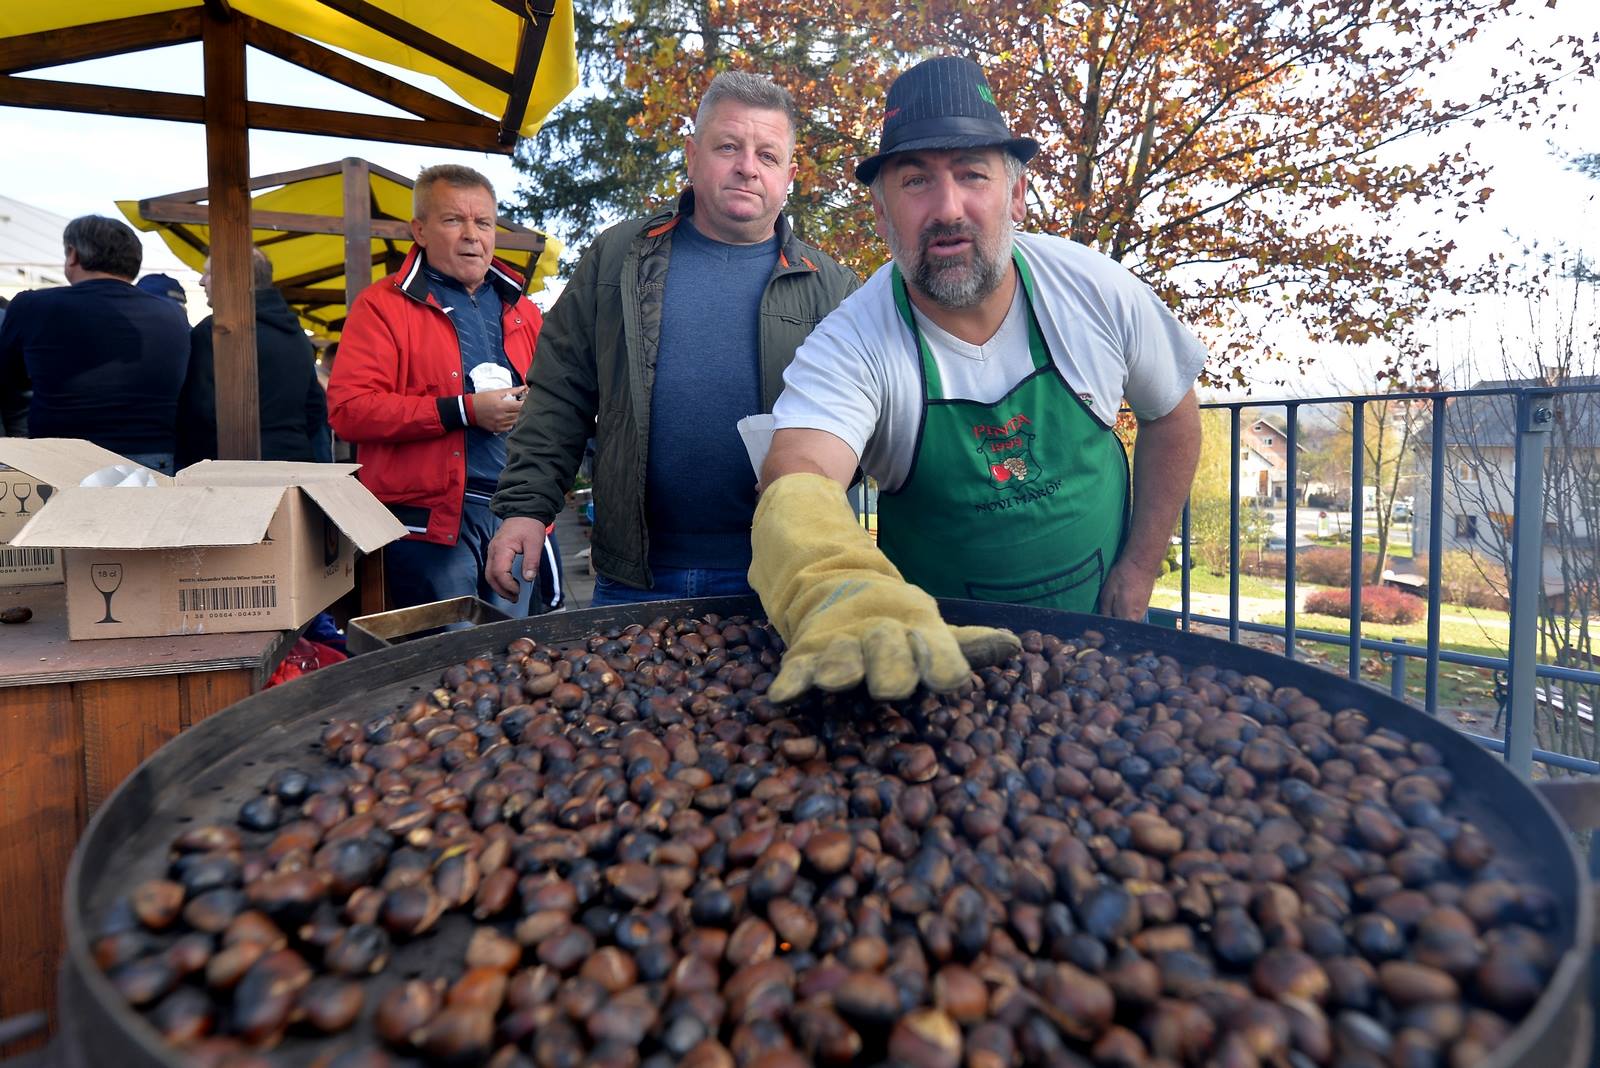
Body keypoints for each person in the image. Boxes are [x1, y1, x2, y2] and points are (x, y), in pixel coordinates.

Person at [751, 55, 1205, 703]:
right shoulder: (852, 342)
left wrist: (1137, 574)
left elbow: (1173, 414)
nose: (949, 208)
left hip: (1104, 636)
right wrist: (837, 591)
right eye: (915, 182)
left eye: (973, 175)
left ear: (1016, 195)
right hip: (937, 666)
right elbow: (798, 472)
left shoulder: (1095, 290)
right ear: (881, 215)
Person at [485, 71, 859, 607]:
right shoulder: (617, 258)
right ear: (691, 155)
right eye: (728, 146)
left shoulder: (832, 287)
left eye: (767, 156)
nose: (747, 167)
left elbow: (865, 423)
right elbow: (559, 394)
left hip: (782, 576)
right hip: (633, 577)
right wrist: (526, 507)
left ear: (790, 174)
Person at [327, 164, 562, 614]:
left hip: (515, 513)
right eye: (454, 220)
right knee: (448, 666)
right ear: (420, 229)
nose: (472, 235)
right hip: (427, 526)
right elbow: (349, 410)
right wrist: (462, 410)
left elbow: (553, 403)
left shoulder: (524, 310)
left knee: (522, 658)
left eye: (484, 222)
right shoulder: (381, 306)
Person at [0, 215, 190, 471]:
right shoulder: (173, 314)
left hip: (60, 457)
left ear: (73, 255)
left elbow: (8, 381)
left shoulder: (33, 306)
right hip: (151, 460)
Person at [176, 247, 331, 467]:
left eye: (209, 273)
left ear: (234, 278)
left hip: (234, 469)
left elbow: (199, 410)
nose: (202, 281)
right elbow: (315, 407)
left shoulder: (216, 331)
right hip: (295, 462)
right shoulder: (296, 334)